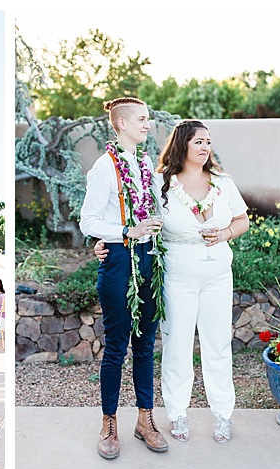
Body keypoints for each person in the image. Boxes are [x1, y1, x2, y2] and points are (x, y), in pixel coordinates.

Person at [96, 119, 249, 444]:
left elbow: (242, 219)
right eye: (198, 142)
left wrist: (224, 233)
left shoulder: (223, 182)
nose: (206, 147)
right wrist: (101, 243)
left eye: (208, 141)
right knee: (177, 345)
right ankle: (177, 414)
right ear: (183, 145)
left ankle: (223, 414)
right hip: (177, 274)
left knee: (218, 345)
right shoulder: (159, 182)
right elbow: (132, 216)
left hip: (218, 274)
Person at [79, 96, 169, 459]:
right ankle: (109, 423)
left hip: (149, 259)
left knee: (146, 345)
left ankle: (145, 420)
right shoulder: (104, 167)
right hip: (118, 260)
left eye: (147, 118)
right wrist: (126, 232)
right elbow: (88, 221)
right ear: (122, 125)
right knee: (117, 347)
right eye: (141, 120)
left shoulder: (146, 163)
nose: (147, 125)